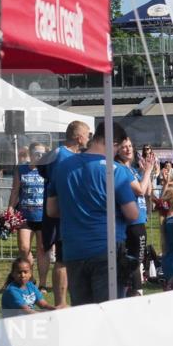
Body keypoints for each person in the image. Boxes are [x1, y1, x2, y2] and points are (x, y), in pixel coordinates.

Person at [45, 121, 139, 306]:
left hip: (74, 249)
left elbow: (52, 210)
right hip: (107, 249)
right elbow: (132, 214)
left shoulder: (63, 167)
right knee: (109, 311)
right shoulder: (115, 171)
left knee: (83, 312)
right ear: (112, 143)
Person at [37, 120, 91, 308]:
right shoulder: (62, 155)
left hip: (68, 214)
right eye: (88, 135)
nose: (89, 139)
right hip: (61, 215)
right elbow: (57, 183)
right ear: (79, 137)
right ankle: (60, 303)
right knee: (62, 258)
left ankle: (67, 300)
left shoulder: (64, 154)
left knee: (68, 257)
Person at [8, 142, 50, 289]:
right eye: (37, 154)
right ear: (30, 154)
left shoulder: (48, 169)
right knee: (24, 248)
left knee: (42, 249)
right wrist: (10, 208)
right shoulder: (21, 169)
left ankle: (43, 284)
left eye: (43, 154)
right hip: (25, 215)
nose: (40, 156)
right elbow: (15, 190)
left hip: (44, 216)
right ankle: (30, 279)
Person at [118, 137, 156, 297]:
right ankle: (135, 293)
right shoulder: (121, 169)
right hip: (132, 222)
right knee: (134, 261)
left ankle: (132, 292)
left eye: (130, 146)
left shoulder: (132, 169)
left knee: (136, 261)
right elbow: (140, 190)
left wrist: (146, 171)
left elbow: (148, 191)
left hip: (139, 220)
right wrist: (147, 172)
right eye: (124, 147)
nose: (128, 149)